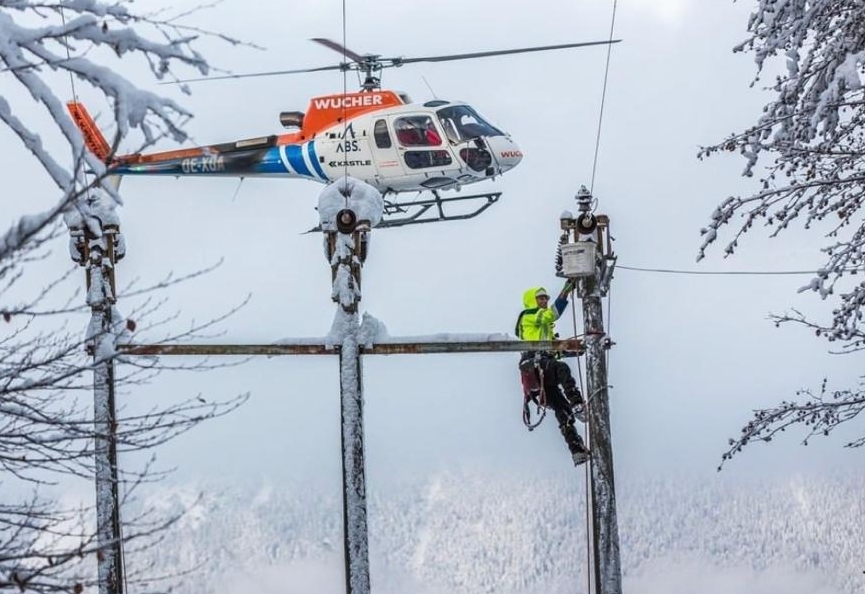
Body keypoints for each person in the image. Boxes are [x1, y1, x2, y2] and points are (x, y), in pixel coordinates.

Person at [515, 283, 589, 466]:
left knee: (563, 410)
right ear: (532, 300)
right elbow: (552, 314)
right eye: (540, 298)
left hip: (541, 372)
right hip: (534, 366)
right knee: (562, 369)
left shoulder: (542, 327)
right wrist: (565, 293)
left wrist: (575, 349)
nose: (544, 301)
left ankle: (576, 450)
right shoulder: (530, 315)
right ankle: (578, 403)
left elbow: (554, 353)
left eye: (546, 298)